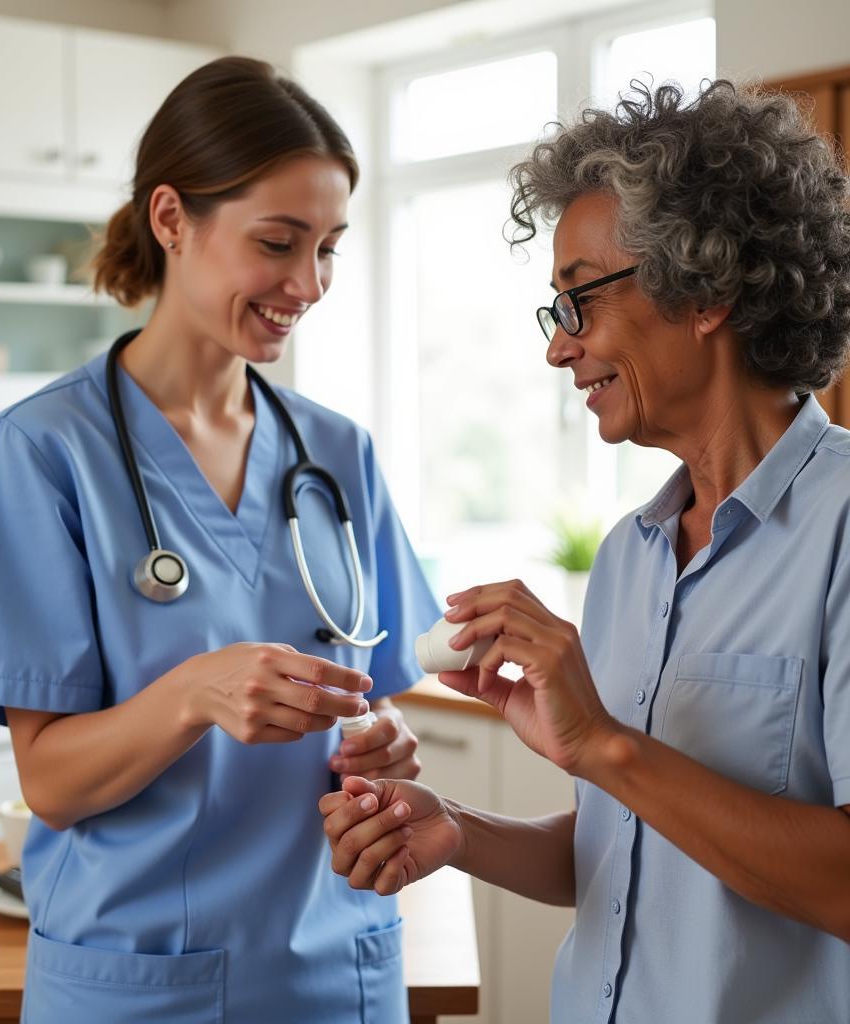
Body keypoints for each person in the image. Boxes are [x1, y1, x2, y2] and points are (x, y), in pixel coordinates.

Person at [319, 79, 850, 1023]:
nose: (560, 351)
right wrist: (456, 831)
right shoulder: (630, 558)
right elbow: (633, 853)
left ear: (708, 291)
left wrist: (607, 745)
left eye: (580, 300)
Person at [0, 56, 438, 1023]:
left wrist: (381, 746)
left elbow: (371, 704)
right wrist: (195, 693)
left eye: (329, 247)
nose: (309, 282)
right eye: (278, 242)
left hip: (335, 970)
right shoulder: (45, 451)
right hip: (138, 983)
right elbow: (50, 783)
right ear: (172, 220)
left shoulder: (336, 452)